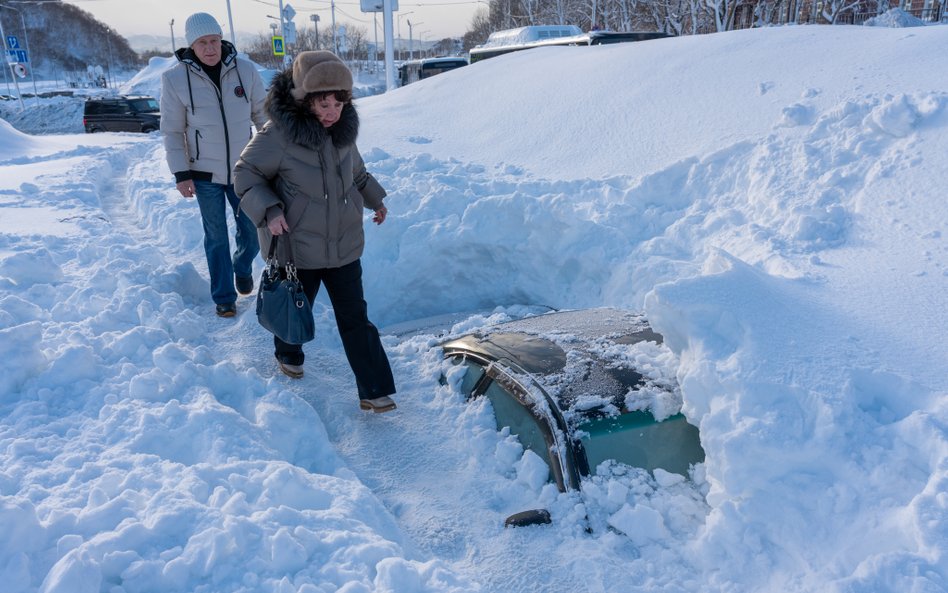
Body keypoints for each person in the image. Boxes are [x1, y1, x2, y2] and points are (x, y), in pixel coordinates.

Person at [234, 51, 397, 414]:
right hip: (297, 246)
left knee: (355, 318)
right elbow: (244, 174)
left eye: (339, 104)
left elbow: (357, 172)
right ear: (304, 99)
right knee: (295, 306)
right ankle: (288, 352)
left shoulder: (342, 133)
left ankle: (374, 390)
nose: (332, 112)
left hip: (343, 244)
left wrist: (375, 199)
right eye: (324, 104)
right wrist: (270, 209)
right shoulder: (278, 135)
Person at [160, 12, 267, 318]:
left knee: (252, 231)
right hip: (203, 174)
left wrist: (274, 158)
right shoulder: (175, 79)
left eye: (214, 41)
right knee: (216, 236)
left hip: (244, 171)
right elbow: (172, 131)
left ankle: (242, 266)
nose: (210, 48)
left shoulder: (245, 71)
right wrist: (181, 174)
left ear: (222, 40)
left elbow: (263, 116)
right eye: (203, 42)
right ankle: (224, 296)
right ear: (191, 46)